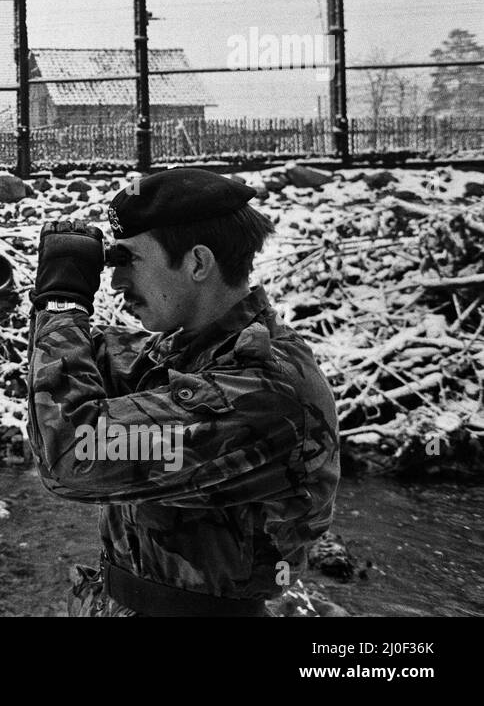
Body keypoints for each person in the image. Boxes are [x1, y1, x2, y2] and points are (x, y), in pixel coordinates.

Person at [25, 167, 340, 617]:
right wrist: (56, 298)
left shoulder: (267, 389)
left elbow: (71, 455)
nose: (115, 284)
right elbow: (65, 381)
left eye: (128, 261)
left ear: (197, 263)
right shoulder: (183, 352)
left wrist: (61, 304)